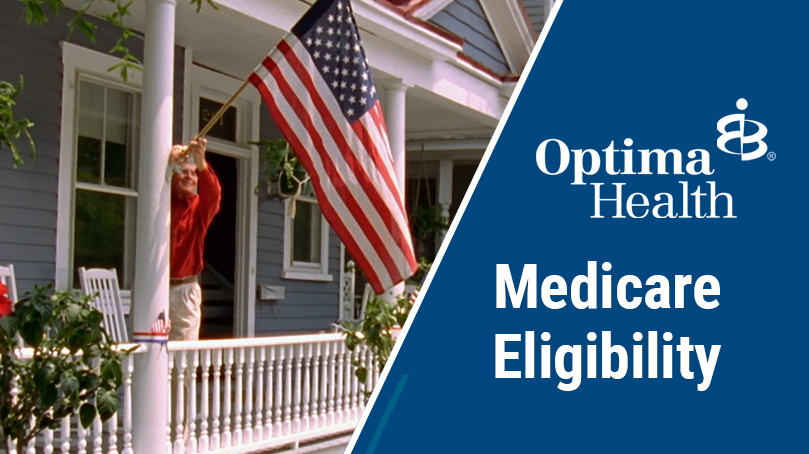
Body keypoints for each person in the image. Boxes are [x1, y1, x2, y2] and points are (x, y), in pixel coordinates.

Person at [168, 138, 221, 340]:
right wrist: (170, 161)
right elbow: (155, 181)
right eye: (183, 171)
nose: (189, 176)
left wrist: (201, 164)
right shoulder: (162, 201)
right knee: (151, 347)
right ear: (173, 175)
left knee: (184, 354)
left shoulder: (200, 208)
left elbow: (214, 195)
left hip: (185, 289)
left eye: (193, 174)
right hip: (155, 286)